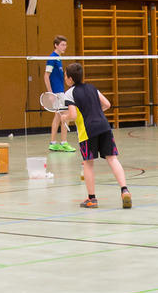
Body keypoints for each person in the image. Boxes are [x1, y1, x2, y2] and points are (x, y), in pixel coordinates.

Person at [63, 62, 132, 210]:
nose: (65, 78)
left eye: (65, 76)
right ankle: (125, 190)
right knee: (112, 159)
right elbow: (107, 104)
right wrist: (95, 112)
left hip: (87, 131)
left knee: (88, 163)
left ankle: (92, 199)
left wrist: (64, 117)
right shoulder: (92, 88)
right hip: (104, 126)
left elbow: (73, 115)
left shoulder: (69, 93)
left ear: (70, 79)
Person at [45, 35, 76, 153]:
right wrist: (50, 93)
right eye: (62, 45)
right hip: (57, 92)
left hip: (60, 91)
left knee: (58, 116)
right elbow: (46, 76)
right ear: (56, 45)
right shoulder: (52, 58)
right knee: (66, 115)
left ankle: (53, 143)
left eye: (65, 45)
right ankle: (64, 143)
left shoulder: (58, 58)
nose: (65, 47)